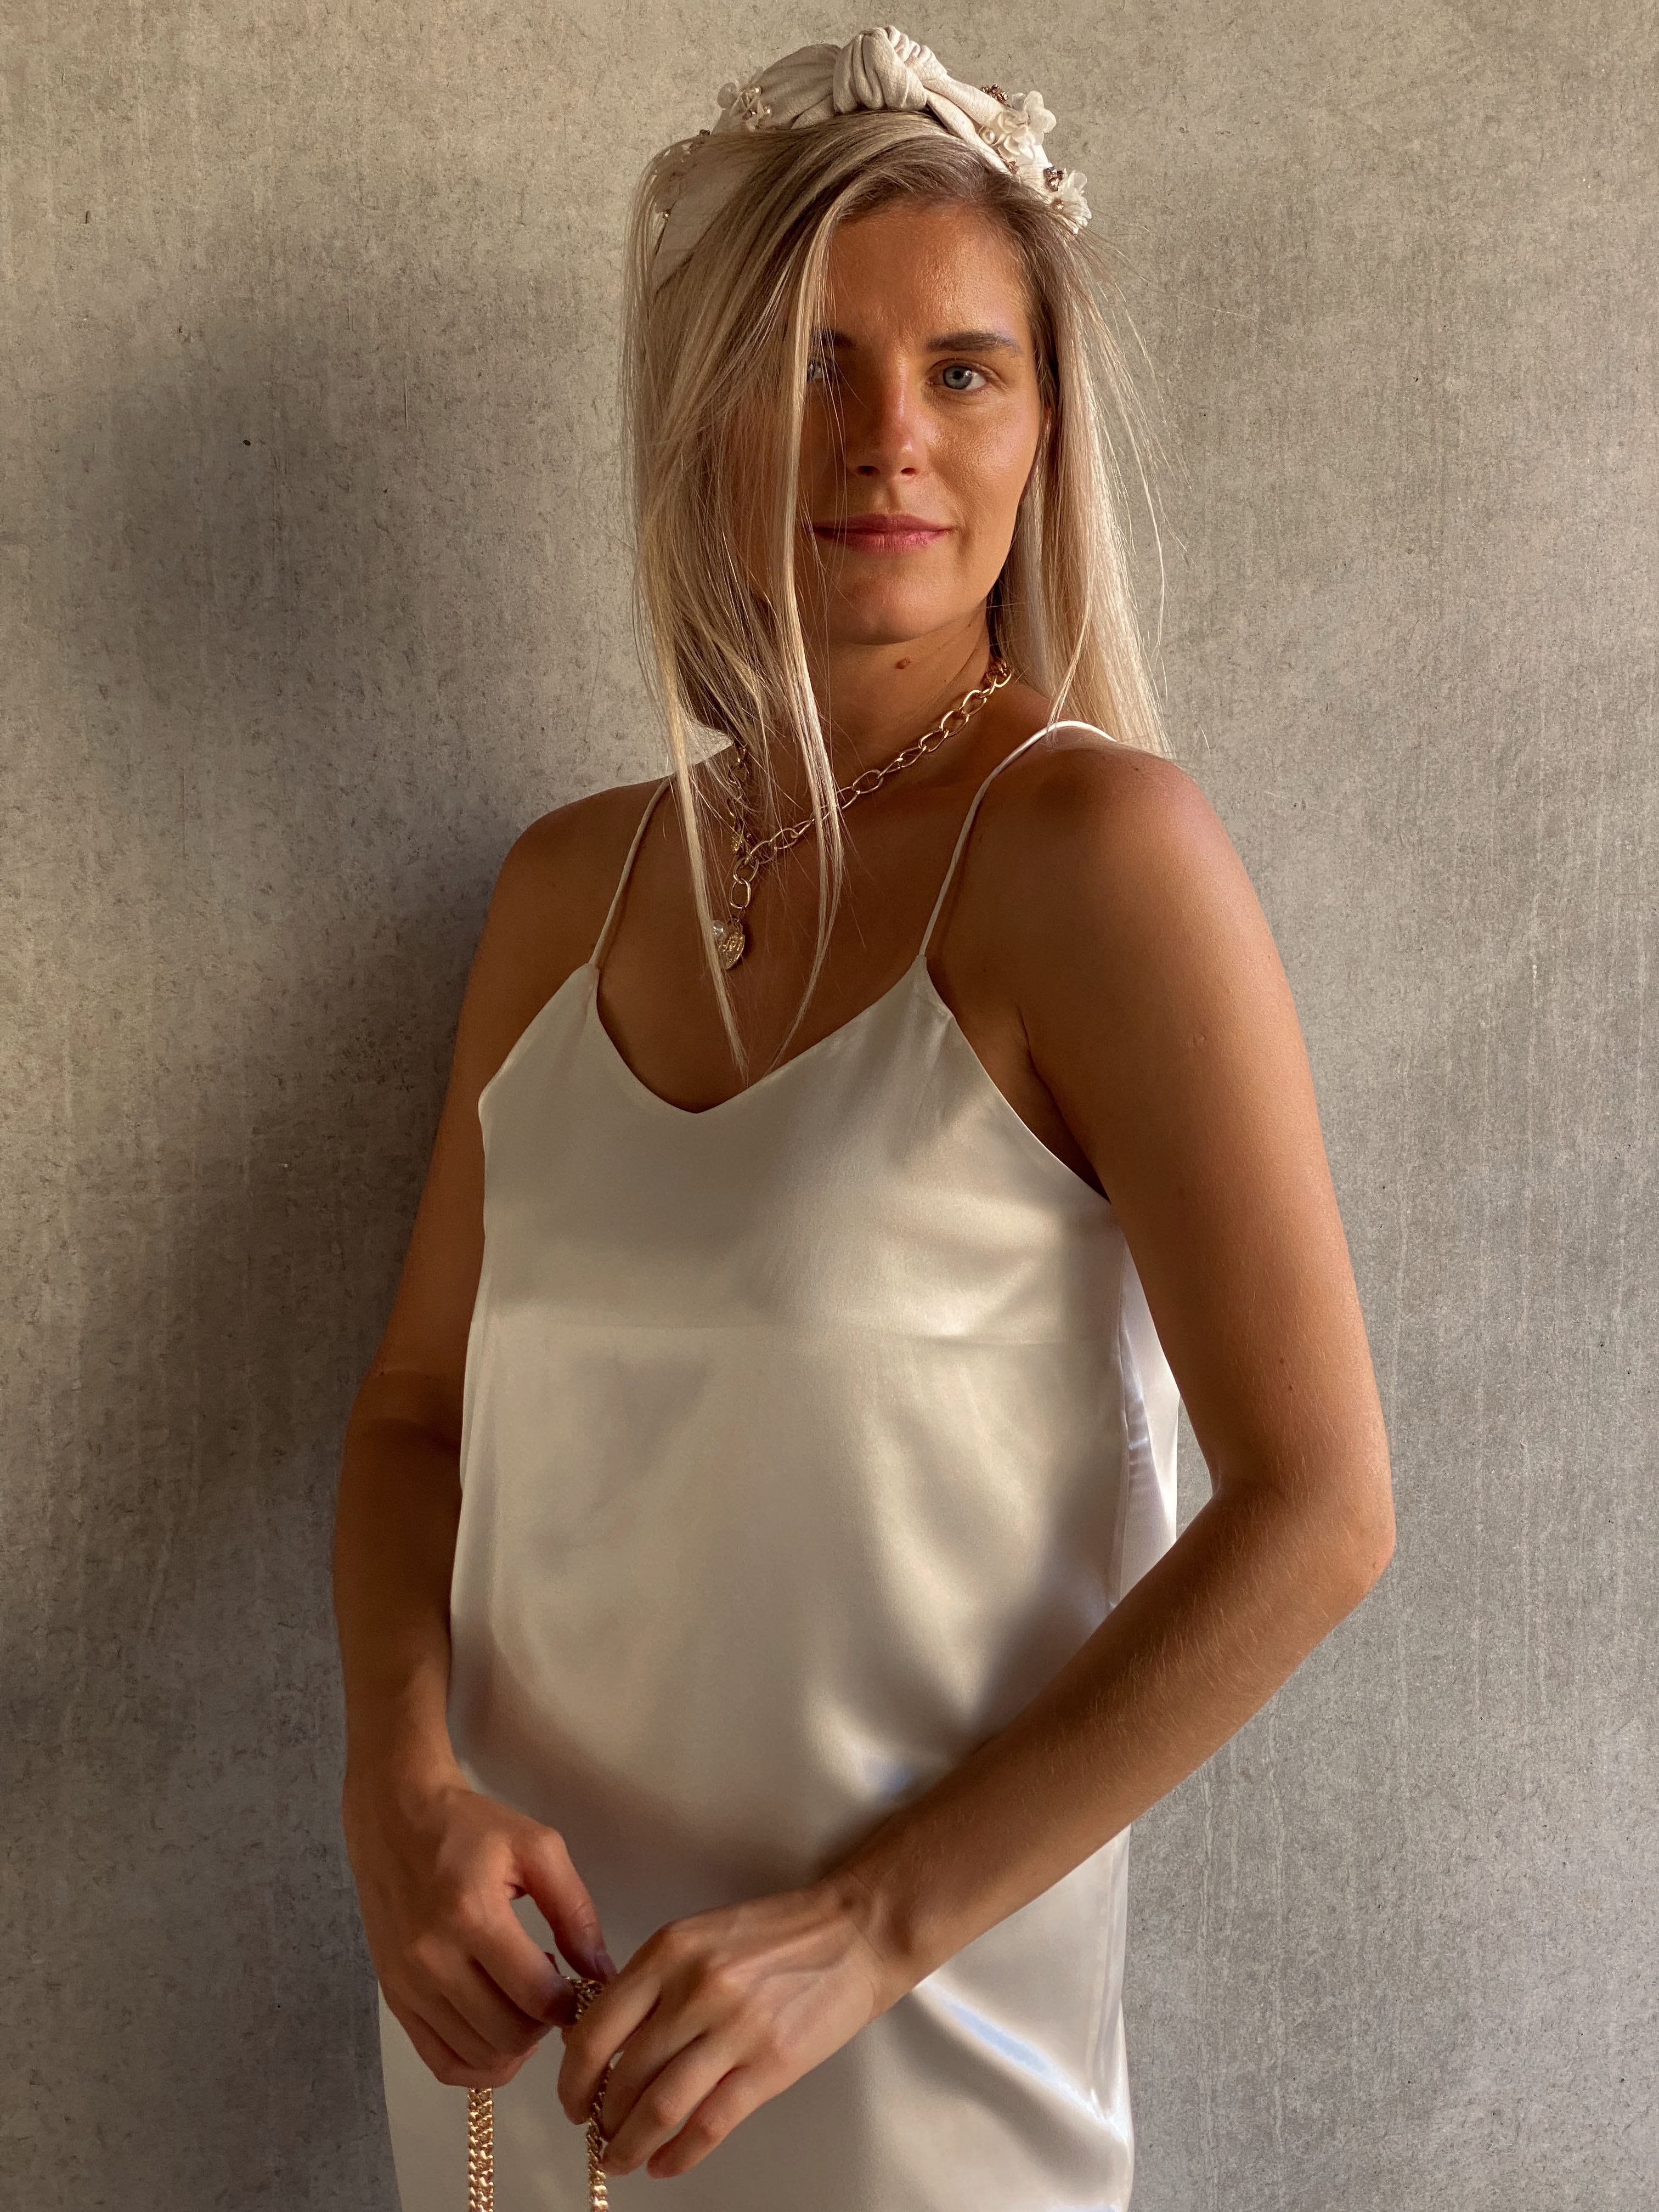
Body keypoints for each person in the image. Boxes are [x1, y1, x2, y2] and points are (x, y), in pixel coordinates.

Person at [332, 25, 1395, 2212]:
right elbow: (416, 1417)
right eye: (814, 363)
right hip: (514, 2045)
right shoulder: (565, 889)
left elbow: (1320, 1512)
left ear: (1042, 427)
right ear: (702, 413)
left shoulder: (1101, 859)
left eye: (961, 370)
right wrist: (400, 1790)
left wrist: (866, 1930)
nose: (887, 437)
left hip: (912, 2065)